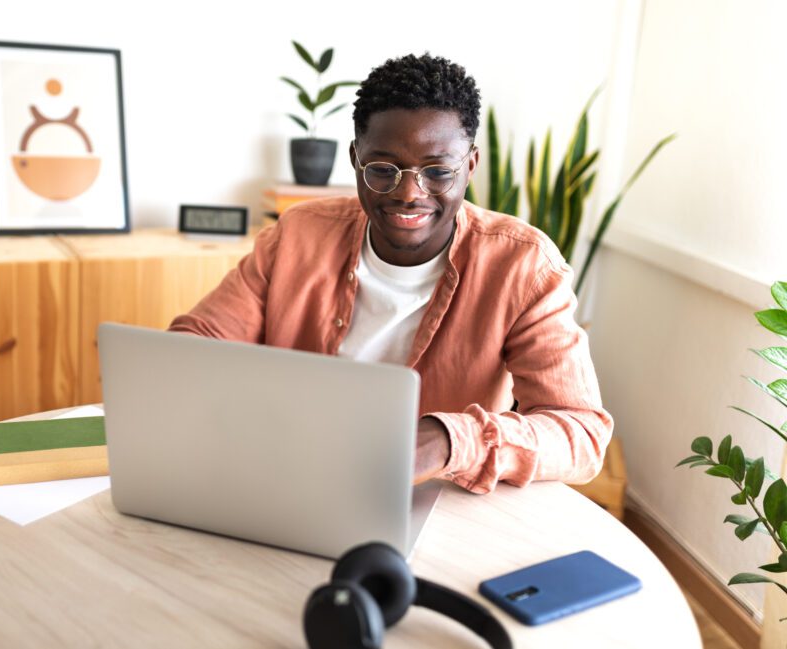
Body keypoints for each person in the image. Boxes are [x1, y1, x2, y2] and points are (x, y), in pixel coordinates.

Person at [169, 53, 613, 494]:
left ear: (470, 165)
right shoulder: (298, 236)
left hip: (431, 500)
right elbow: (199, 342)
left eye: (437, 171)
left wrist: (446, 440)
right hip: (285, 474)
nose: (408, 193)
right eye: (383, 170)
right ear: (355, 159)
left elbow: (582, 433)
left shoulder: (523, 267)